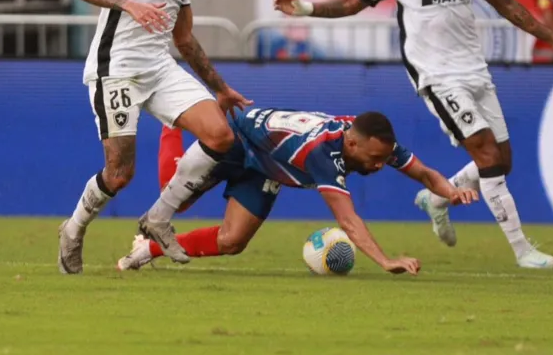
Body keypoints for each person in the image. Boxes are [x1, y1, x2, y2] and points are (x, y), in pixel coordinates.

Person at [274, 0, 553, 269]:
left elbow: (506, 4)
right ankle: (523, 251)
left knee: (502, 160)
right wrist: (306, 7)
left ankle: (438, 198)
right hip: (436, 75)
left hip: (474, 68)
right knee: (487, 153)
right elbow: (352, 1)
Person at [58, 0, 252, 275]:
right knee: (120, 173)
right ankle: (73, 230)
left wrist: (221, 88)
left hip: (160, 67)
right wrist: (129, 5)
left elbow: (184, 38)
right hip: (118, 69)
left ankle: (158, 219)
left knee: (220, 135)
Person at [117, 110, 475, 274]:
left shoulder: (372, 141)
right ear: (351, 143)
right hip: (237, 141)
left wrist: (452, 191)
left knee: (232, 241)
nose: (381, 165)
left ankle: (148, 249)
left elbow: (426, 174)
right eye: (375, 158)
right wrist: (385, 261)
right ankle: (170, 123)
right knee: (173, 197)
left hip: (266, 164)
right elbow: (348, 221)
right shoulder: (324, 154)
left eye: (385, 158)